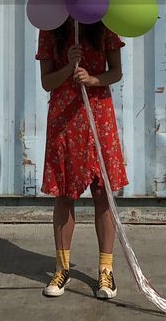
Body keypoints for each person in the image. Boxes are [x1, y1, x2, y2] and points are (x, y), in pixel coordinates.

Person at [35, 15, 128, 299]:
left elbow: (116, 72)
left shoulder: (106, 22)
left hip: (98, 113)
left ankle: (106, 270)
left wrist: (92, 78)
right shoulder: (49, 24)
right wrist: (68, 67)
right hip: (65, 118)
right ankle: (62, 268)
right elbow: (47, 82)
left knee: (103, 192)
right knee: (64, 192)